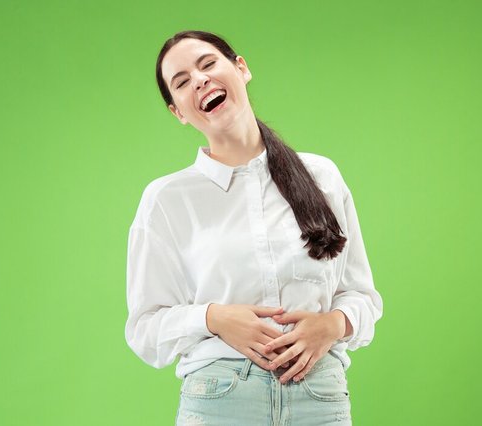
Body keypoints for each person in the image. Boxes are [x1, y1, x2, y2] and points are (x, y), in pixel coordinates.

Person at [125, 30, 383, 425]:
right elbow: (144, 329)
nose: (199, 79)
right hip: (220, 401)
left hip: (320, 398)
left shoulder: (321, 176)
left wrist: (330, 325)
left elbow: (362, 297)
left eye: (208, 64)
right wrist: (213, 317)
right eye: (181, 81)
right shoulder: (166, 200)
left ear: (240, 68)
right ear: (178, 111)